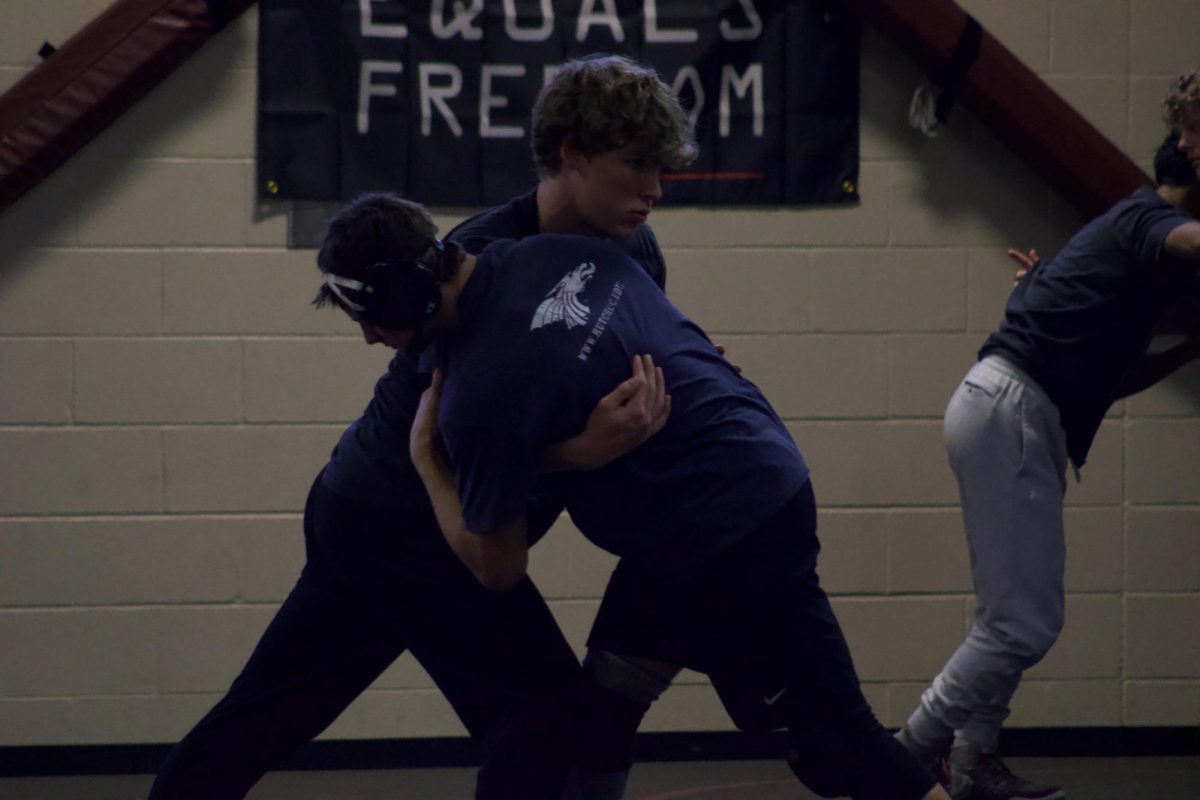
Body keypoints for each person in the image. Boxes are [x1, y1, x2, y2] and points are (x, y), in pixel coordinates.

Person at [148, 54, 688, 800]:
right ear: (571, 155)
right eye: (636, 166)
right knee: (537, 719)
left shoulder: (636, 253)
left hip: (393, 517)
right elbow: (441, 443)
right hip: (399, 521)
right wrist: (572, 453)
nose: (654, 191)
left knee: (267, 714)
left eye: (661, 168)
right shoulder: (474, 271)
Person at [312, 191, 953, 800]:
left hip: (729, 532)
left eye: (368, 320)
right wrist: (570, 452)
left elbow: (498, 566)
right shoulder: (560, 254)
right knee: (600, 715)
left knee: (839, 741)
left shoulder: (477, 396)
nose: (370, 339)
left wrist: (427, 464)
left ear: (399, 298)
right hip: (719, 499)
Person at [894, 123, 1200, 800]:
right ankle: (909, 754)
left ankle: (973, 764)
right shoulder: (1148, 219)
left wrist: (1184, 349)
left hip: (1010, 409)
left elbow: (1113, 378)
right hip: (1012, 410)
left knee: (1006, 617)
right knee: (1022, 623)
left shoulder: (1133, 274)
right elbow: (1186, 239)